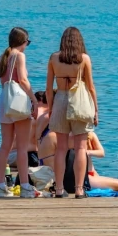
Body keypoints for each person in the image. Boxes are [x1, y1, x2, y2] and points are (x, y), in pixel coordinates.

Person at [45, 27, 98, 198]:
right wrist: (96, 110)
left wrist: (51, 107)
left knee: (61, 148)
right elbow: (90, 87)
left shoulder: (54, 58)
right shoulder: (84, 59)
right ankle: (79, 189)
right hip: (79, 102)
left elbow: (48, 88)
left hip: (60, 99)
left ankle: (59, 189)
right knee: (80, 148)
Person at [0, 27, 40, 199]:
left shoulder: (2, 57)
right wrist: (34, 100)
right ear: (23, 41)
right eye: (27, 42)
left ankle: (0, 186)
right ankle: (25, 186)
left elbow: (4, 82)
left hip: (5, 102)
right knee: (22, 147)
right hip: (19, 102)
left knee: (5, 145)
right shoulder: (19, 56)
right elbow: (22, 79)